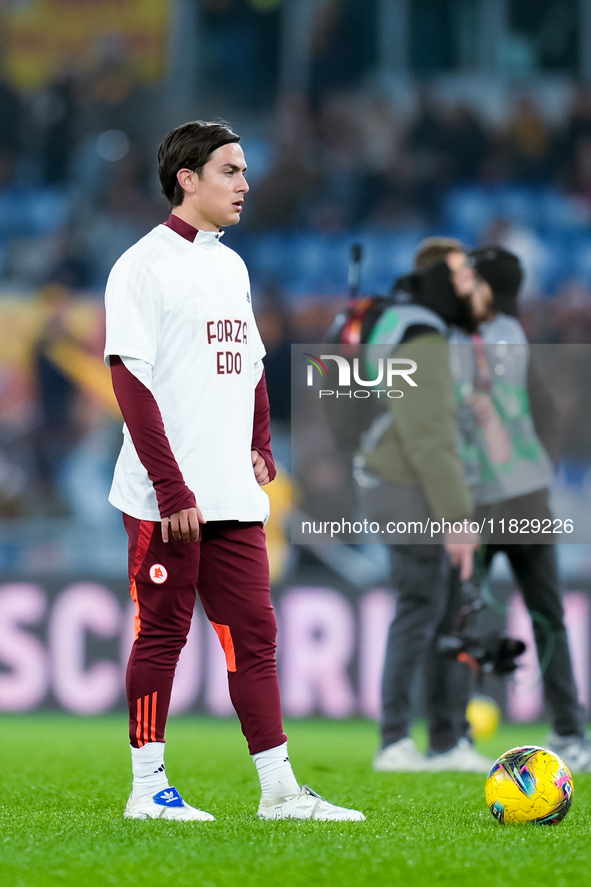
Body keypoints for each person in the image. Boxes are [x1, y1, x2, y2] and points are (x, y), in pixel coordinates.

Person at [104, 120, 365, 821]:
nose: (246, 184)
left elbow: (247, 364)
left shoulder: (231, 265)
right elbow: (129, 380)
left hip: (230, 490)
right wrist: (169, 487)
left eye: (245, 170)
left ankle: (279, 789)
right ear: (187, 179)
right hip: (167, 495)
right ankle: (147, 787)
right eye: (230, 170)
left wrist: (259, 441)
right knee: (162, 633)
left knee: (255, 635)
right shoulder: (141, 265)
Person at [450, 246, 591, 772]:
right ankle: (570, 731)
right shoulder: (512, 336)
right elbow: (548, 412)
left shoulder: (474, 338)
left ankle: (456, 733)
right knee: (546, 616)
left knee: (467, 616)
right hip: (522, 502)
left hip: (487, 505)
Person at [355, 238, 490, 773]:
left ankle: (445, 739)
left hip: (405, 485)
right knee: (424, 609)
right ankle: (399, 741)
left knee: (443, 610)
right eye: (460, 279)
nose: (469, 289)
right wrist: (458, 517)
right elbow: (429, 438)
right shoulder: (426, 338)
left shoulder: (408, 328)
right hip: (408, 490)